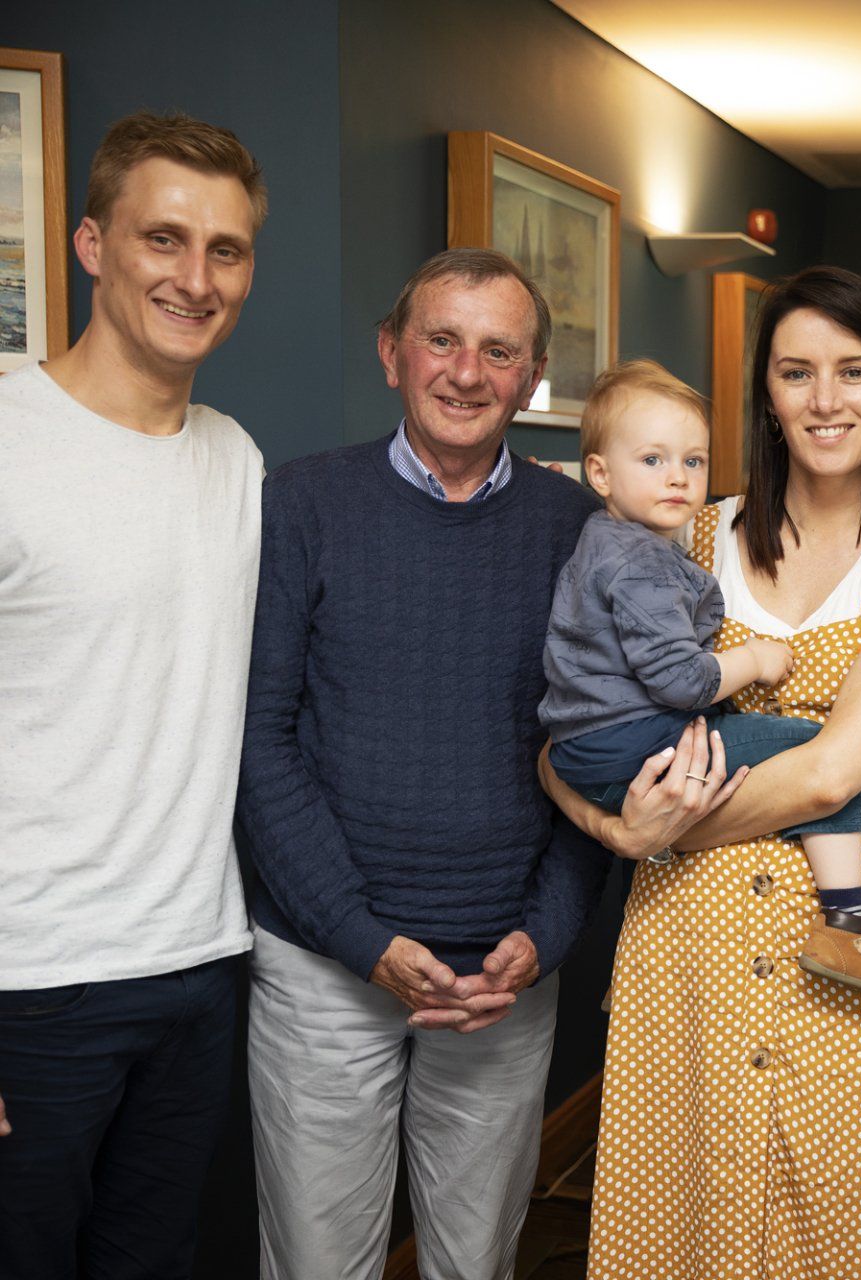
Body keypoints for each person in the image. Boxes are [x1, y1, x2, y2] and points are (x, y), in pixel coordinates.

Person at [541, 265, 861, 1280]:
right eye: (796, 372)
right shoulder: (685, 530)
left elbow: (832, 774)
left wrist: (662, 829)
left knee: (847, 1230)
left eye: (852, 371)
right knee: (681, 1226)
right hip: (686, 946)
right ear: (767, 396)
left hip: (840, 943)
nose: (825, 399)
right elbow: (563, 730)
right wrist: (614, 829)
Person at [237, 248, 652, 1280]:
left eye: (499, 351)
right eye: (442, 340)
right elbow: (259, 739)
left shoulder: (582, 533)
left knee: (476, 1262)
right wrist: (360, 936)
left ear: (532, 377)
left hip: (500, 975)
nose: (467, 373)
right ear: (392, 353)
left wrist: (545, 934)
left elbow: (595, 752)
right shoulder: (301, 504)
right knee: (319, 1263)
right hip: (324, 966)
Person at [0, 112, 266, 1280]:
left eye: (226, 249)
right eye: (165, 238)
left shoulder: (235, 458)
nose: (196, 278)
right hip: (27, 984)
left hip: (197, 962)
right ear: (92, 244)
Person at [541, 357, 861, 997]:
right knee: (814, 748)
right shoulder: (642, 563)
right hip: (629, 742)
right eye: (653, 460)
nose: (678, 478)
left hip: (587, 746)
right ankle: (846, 924)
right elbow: (681, 680)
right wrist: (756, 660)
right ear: (599, 474)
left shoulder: (606, 538)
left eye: (694, 461)